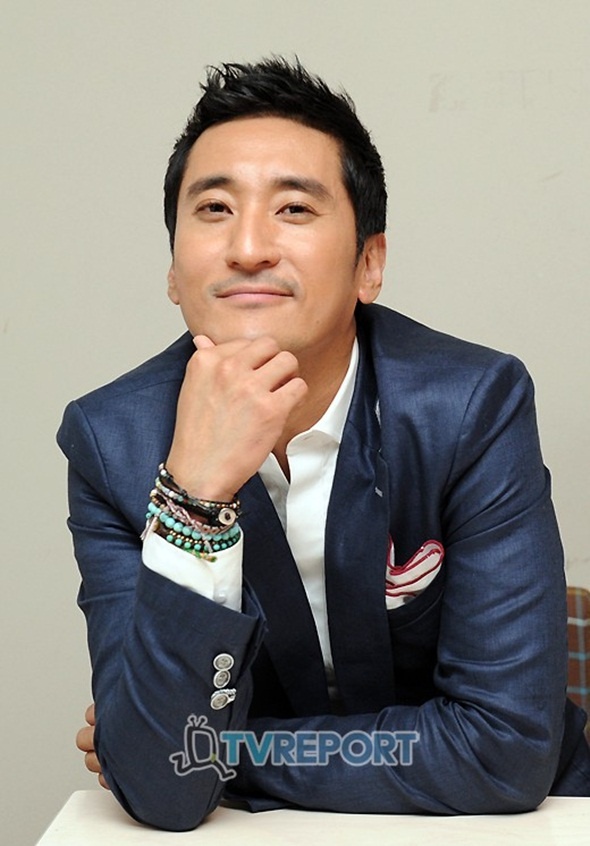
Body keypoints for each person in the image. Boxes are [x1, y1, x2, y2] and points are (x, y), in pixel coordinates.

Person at [58, 57, 590, 832]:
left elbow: (502, 750)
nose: (248, 247)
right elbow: (166, 792)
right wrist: (193, 496)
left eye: (294, 209)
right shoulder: (112, 441)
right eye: (214, 207)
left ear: (369, 264)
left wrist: (227, 755)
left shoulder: (470, 406)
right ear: (173, 270)